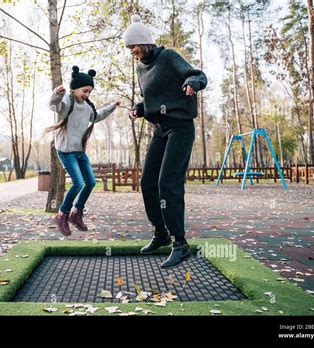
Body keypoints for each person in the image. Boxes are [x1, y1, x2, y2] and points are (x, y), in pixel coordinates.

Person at [123, 15, 208, 268]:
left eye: (134, 46)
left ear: (145, 42)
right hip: (160, 129)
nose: (132, 51)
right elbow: (150, 99)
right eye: (129, 48)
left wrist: (192, 83)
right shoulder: (140, 69)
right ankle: (160, 232)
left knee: (167, 182)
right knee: (147, 181)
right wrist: (139, 109)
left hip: (180, 127)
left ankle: (180, 244)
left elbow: (197, 75)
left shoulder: (168, 57)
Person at [46, 66, 121, 236]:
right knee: (78, 183)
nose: (87, 95)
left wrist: (112, 106)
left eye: (89, 92)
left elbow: (97, 116)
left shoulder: (87, 107)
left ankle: (76, 213)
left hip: (79, 150)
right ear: (74, 89)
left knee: (91, 182)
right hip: (65, 150)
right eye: (84, 91)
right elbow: (53, 105)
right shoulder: (67, 101)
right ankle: (62, 214)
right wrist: (57, 93)